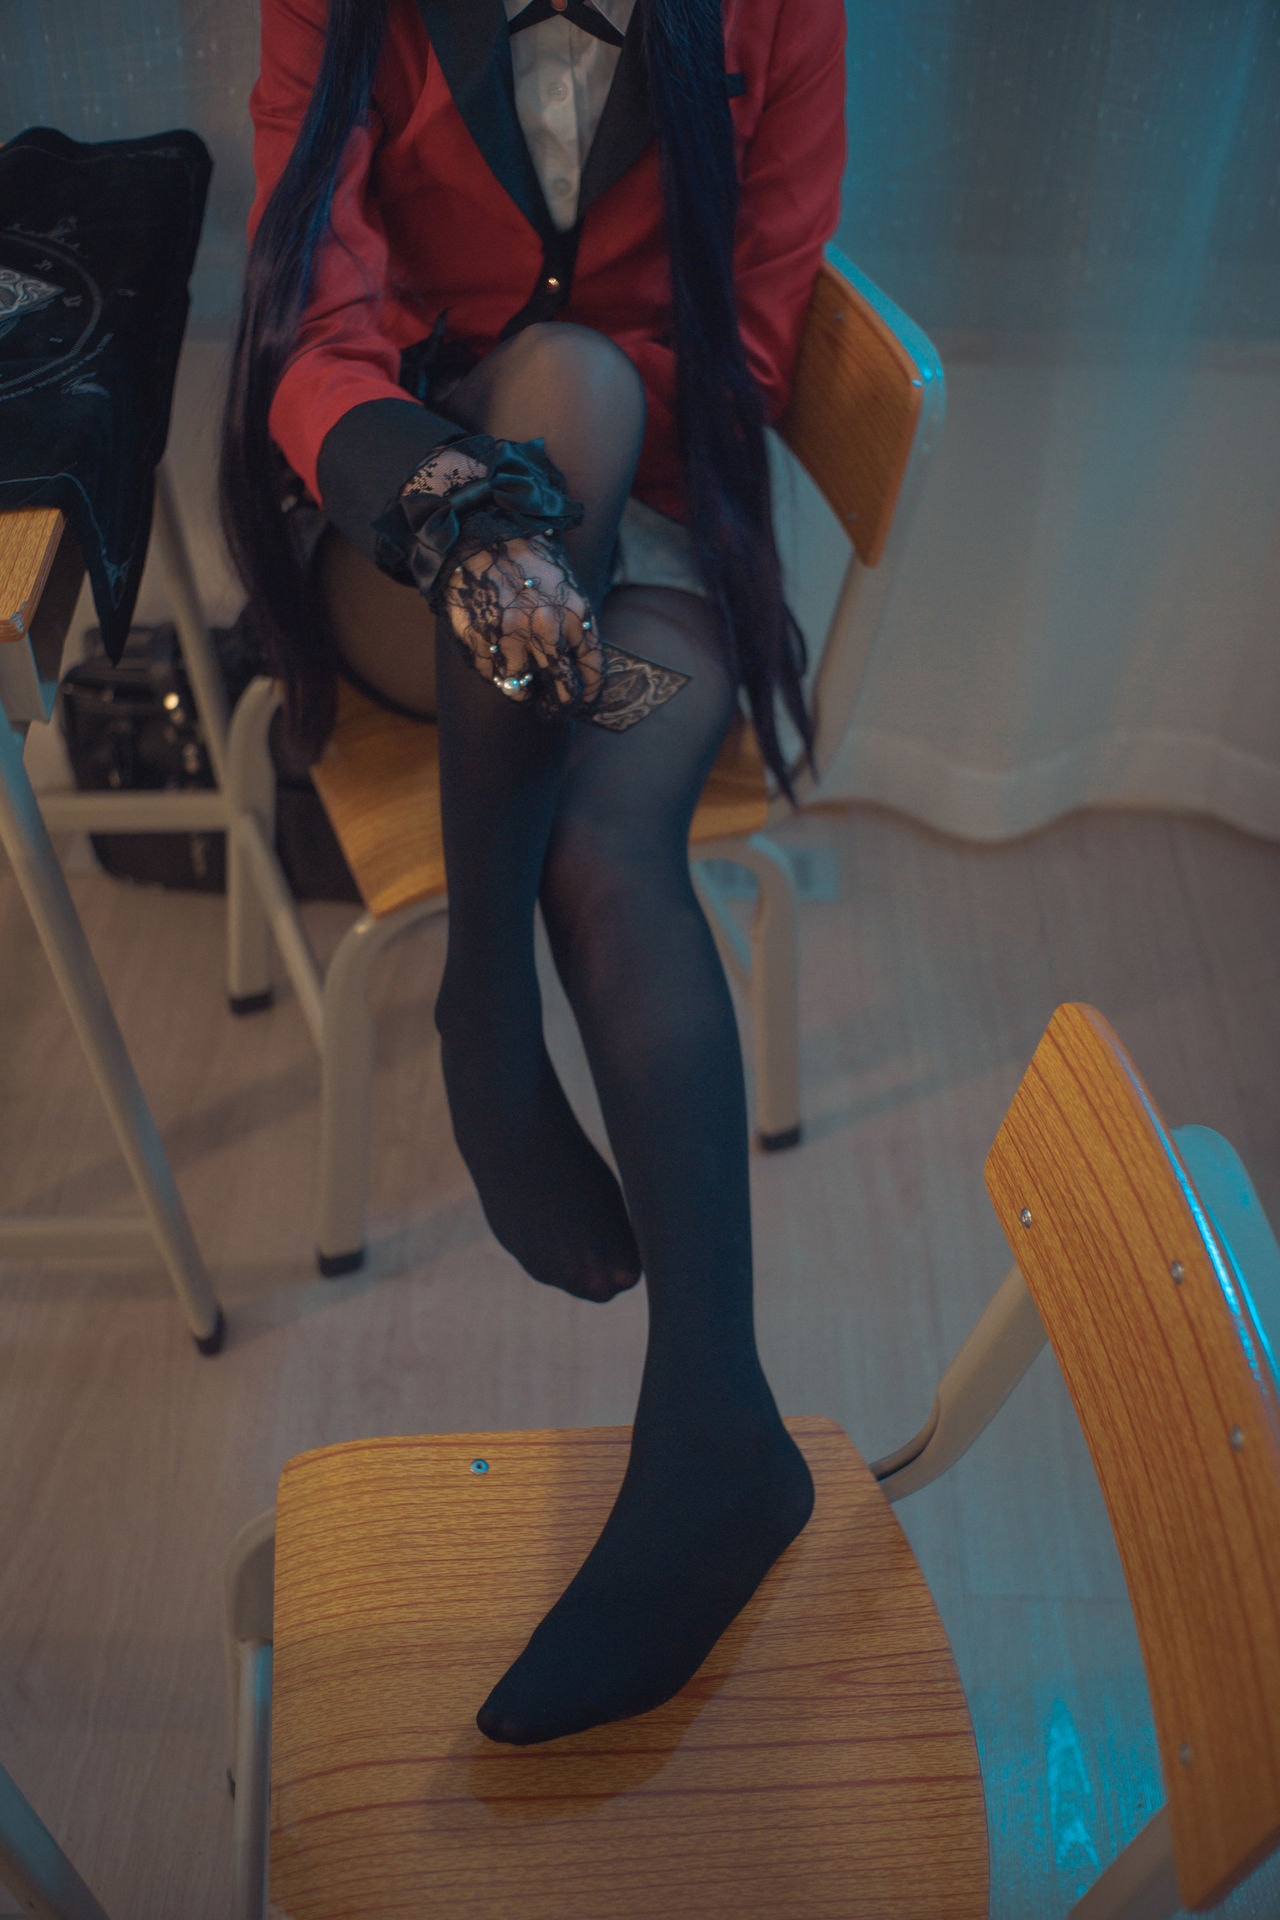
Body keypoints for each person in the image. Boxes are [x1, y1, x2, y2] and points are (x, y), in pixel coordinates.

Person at [221, 0, 846, 1746]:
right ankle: (490, 1018)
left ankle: (716, 1424)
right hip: (407, 523)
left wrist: (584, 505)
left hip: (647, 524)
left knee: (604, 830)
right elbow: (310, 330)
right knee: (548, 400)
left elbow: (754, 344)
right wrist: (474, 513)